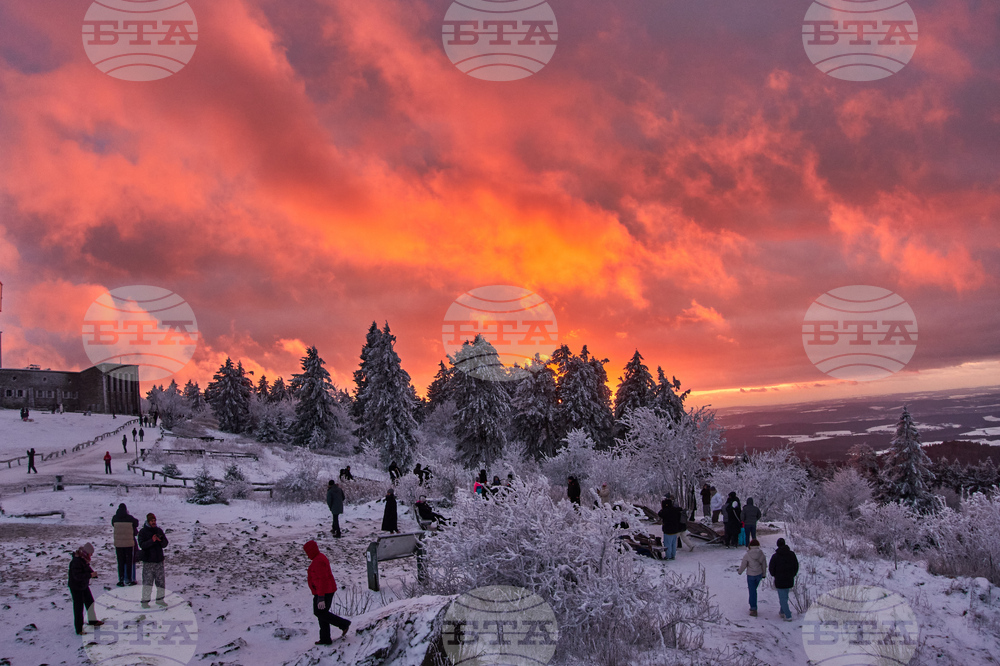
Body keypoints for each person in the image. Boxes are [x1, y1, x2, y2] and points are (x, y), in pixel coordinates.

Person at [304, 540, 351, 645]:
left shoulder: (318, 561)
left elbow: (322, 580)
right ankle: (325, 639)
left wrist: (321, 597)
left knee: (320, 613)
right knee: (322, 614)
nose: (307, 555)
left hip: (324, 592)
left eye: (307, 552)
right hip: (323, 591)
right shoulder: (319, 558)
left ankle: (343, 624)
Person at [68, 542, 103, 635]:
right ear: (86, 552)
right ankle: (79, 629)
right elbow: (77, 576)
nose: (91, 555)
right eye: (91, 553)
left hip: (83, 585)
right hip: (76, 587)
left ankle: (93, 621)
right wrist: (90, 575)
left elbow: (87, 569)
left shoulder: (83, 559)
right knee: (78, 608)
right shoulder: (76, 561)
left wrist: (93, 574)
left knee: (90, 602)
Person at [138, 513, 168, 606]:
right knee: (147, 583)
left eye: (154, 520)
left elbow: (165, 543)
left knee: (161, 582)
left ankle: (160, 600)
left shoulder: (159, 530)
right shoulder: (143, 532)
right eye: (152, 521)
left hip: (159, 561)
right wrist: (152, 541)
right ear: (148, 521)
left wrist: (161, 540)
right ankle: (145, 602)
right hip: (148, 562)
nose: (153, 522)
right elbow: (142, 545)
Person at [769, 538, 799, 621]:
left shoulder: (775, 556)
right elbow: (796, 566)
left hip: (779, 579)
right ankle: (782, 612)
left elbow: (771, 568)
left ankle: (788, 615)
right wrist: (793, 574)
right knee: (785, 597)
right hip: (789, 579)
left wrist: (774, 575)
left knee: (782, 598)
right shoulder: (792, 554)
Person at [737, 538, 767, 617]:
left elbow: (744, 565)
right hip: (759, 574)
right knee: (754, 590)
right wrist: (764, 574)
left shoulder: (747, 555)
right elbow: (764, 565)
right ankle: (752, 605)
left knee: (752, 591)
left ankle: (753, 608)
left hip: (750, 575)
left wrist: (740, 571)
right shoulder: (761, 554)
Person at [112, 503, 139, 587]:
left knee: (120, 562)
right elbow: (136, 523)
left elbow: (113, 524)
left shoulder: (114, 518)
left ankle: (121, 579)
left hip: (119, 544)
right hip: (129, 544)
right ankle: (130, 579)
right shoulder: (130, 518)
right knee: (129, 562)